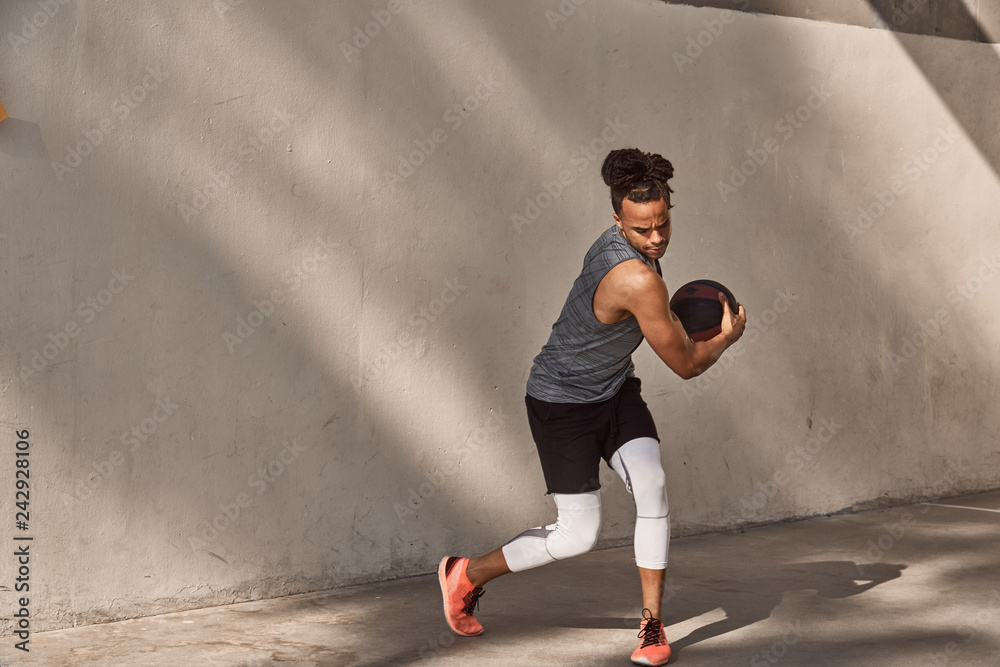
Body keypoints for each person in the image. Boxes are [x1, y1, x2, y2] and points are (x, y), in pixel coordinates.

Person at [438, 147, 747, 666]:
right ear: (616, 222)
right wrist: (726, 337)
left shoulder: (635, 249)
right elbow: (687, 365)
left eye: (663, 223)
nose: (656, 238)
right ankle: (465, 574)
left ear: (668, 205)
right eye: (642, 229)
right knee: (577, 535)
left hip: (614, 387)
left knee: (651, 481)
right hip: (562, 401)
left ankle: (652, 627)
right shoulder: (636, 278)